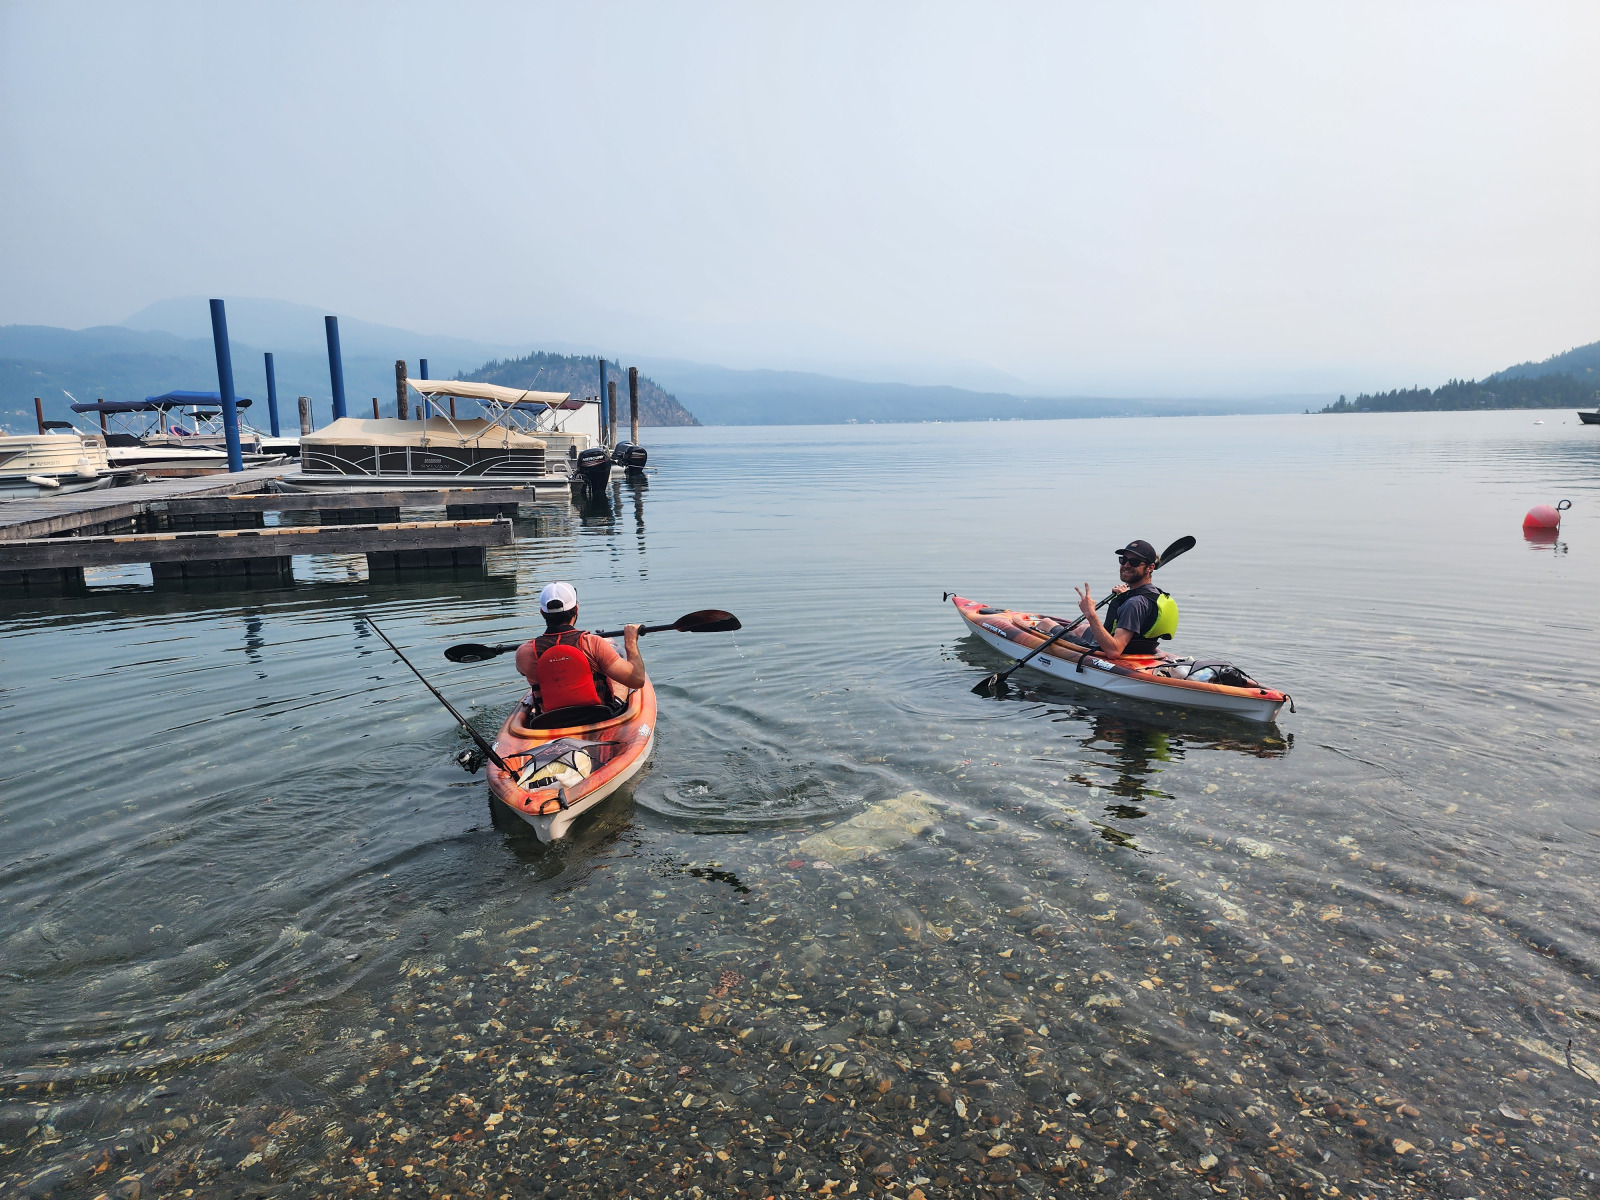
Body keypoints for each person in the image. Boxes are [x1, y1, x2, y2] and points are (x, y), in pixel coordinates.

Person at [514, 581, 647, 714]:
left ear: (542, 612)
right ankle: (615, 707)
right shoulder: (593, 644)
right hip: (597, 716)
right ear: (576, 609)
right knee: (614, 675)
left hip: (548, 719)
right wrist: (630, 641)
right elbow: (637, 680)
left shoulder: (524, 652)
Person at [1071, 539, 1179, 657]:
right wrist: (1125, 596)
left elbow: (1114, 651)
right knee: (1082, 628)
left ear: (1150, 567)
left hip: (1112, 651)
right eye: (1123, 560)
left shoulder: (1134, 603)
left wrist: (1091, 614)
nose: (1126, 565)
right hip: (1139, 650)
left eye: (1134, 562)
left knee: (1054, 625)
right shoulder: (1153, 594)